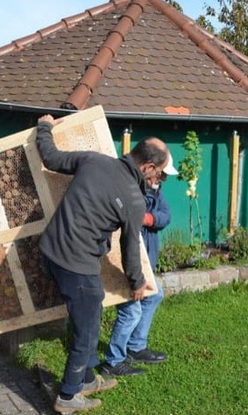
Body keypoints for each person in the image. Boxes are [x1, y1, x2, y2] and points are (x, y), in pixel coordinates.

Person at [36, 114, 171, 414]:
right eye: (158, 172)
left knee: (89, 313)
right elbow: (130, 249)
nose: (157, 179)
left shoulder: (95, 161)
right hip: (77, 265)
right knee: (87, 333)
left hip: (50, 251)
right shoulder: (135, 201)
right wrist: (136, 283)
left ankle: (85, 379)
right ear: (148, 166)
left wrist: (44, 127)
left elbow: (51, 157)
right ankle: (68, 397)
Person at [101, 156, 177, 376]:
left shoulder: (155, 190)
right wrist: (138, 218)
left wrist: (148, 219)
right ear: (150, 168)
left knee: (154, 295)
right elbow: (127, 236)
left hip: (143, 262)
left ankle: (135, 347)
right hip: (124, 260)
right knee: (130, 310)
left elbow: (166, 216)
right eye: (161, 173)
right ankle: (113, 362)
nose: (162, 178)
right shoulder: (131, 189)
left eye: (165, 175)